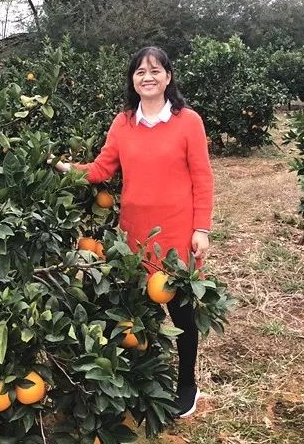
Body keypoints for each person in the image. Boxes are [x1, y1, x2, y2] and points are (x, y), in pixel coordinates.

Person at [53, 45, 214, 418]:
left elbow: (203, 177)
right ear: (132, 80)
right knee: (137, 310)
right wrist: (59, 165)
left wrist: (201, 228)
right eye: (140, 71)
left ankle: (187, 381)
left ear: (168, 77)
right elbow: (100, 170)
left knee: (180, 312)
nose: (148, 76)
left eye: (155, 70)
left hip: (176, 231)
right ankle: (147, 376)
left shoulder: (188, 121)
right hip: (135, 233)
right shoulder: (123, 122)